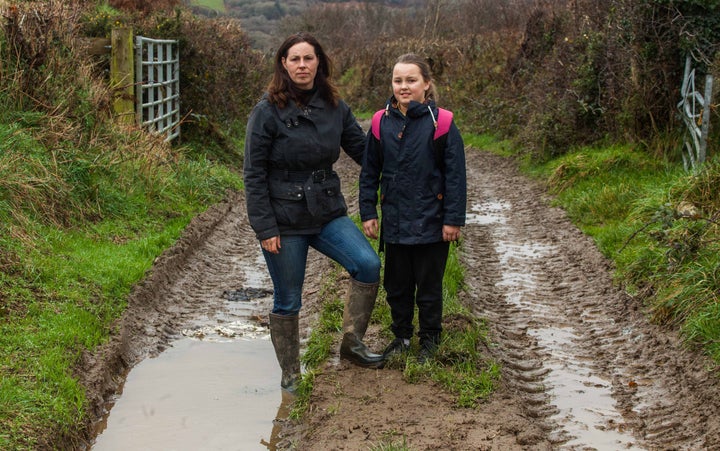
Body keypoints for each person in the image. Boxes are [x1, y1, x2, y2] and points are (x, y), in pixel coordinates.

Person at [243, 32, 384, 394]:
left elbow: (364, 152)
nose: (302, 65)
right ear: (283, 64)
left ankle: (352, 345)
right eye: (295, 59)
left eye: (309, 58)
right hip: (284, 220)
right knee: (288, 298)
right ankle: (291, 375)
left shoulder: (335, 106)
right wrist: (265, 227)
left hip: (326, 212)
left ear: (319, 62)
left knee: (367, 264)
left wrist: (409, 157)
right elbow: (254, 174)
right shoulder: (266, 112)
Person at [359, 53, 467, 363]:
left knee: (429, 287)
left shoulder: (442, 123)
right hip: (394, 221)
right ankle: (402, 337)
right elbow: (369, 172)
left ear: (426, 84)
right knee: (396, 285)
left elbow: (455, 177)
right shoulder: (380, 122)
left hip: (432, 223)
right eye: (398, 80)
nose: (403, 86)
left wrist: (453, 220)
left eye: (411, 80)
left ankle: (430, 341)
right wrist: (368, 211)